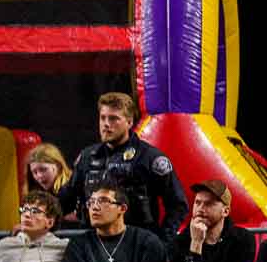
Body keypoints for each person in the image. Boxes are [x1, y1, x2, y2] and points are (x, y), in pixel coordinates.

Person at [58, 92, 188, 234]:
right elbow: (66, 200)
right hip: (92, 243)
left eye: (114, 119)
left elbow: (178, 206)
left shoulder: (150, 158)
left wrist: (162, 243)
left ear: (129, 122)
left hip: (137, 243)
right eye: (103, 118)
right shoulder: (87, 157)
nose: (106, 124)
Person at [23, 143, 73, 220]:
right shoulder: (42, 194)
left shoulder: (71, 188)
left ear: (58, 166)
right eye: (34, 172)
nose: (39, 176)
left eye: (43, 169)